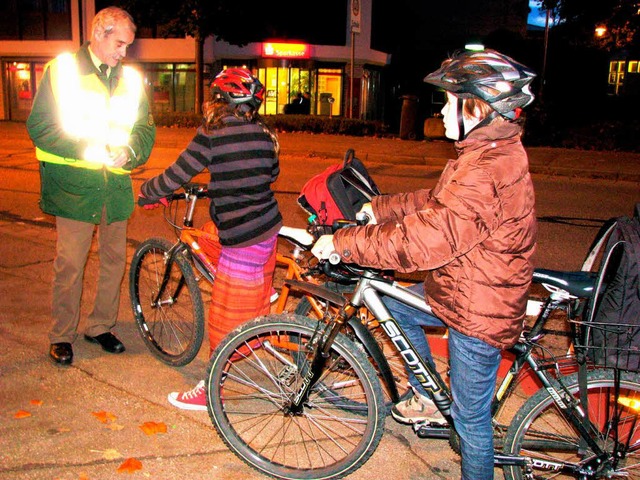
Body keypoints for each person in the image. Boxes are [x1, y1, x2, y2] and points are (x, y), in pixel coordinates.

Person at [312, 49, 537, 480]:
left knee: (471, 423)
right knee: (395, 305)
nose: (444, 110)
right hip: (462, 286)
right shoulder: (484, 153)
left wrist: (343, 243)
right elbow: (435, 205)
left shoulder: (487, 166)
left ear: (481, 107)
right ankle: (428, 396)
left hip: (478, 310)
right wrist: (378, 209)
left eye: (453, 101)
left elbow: (426, 241)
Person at [138, 67, 282, 411]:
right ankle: (262, 293)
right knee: (208, 232)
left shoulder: (213, 133)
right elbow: (269, 173)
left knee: (222, 317)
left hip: (243, 237)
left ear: (220, 100)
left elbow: (177, 172)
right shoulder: (265, 135)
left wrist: (147, 191)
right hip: (267, 228)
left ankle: (211, 389)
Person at [26, 7, 156, 366]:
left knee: (114, 260)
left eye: (128, 45)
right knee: (70, 263)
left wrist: (129, 151)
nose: (124, 53)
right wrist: (91, 148)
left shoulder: (130, 79)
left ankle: (100, 326)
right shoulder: (63, 71)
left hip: (114, 187)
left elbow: (145, 128)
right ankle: (61, 335)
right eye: (119, 43)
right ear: (99, 33)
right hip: (75, 187)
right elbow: (40, 127)